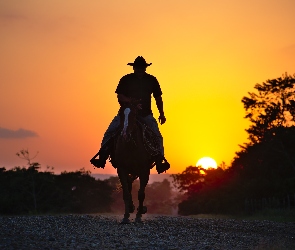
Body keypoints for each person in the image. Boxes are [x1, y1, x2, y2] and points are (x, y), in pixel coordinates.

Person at [90, 56, 169, 173]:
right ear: (134, 68)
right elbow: (120, 96)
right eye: (137, 67)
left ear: (145, 68)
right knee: (110, 132)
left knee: (157, 135)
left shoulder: (152, 80)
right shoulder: (126, 79)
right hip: (126, 113)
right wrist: (131, 101)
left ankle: (160, 160)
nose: (139, 69)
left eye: (141, 67)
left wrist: (162, 114)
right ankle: (102, 157)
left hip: (145, 114)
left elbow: (158, 98)